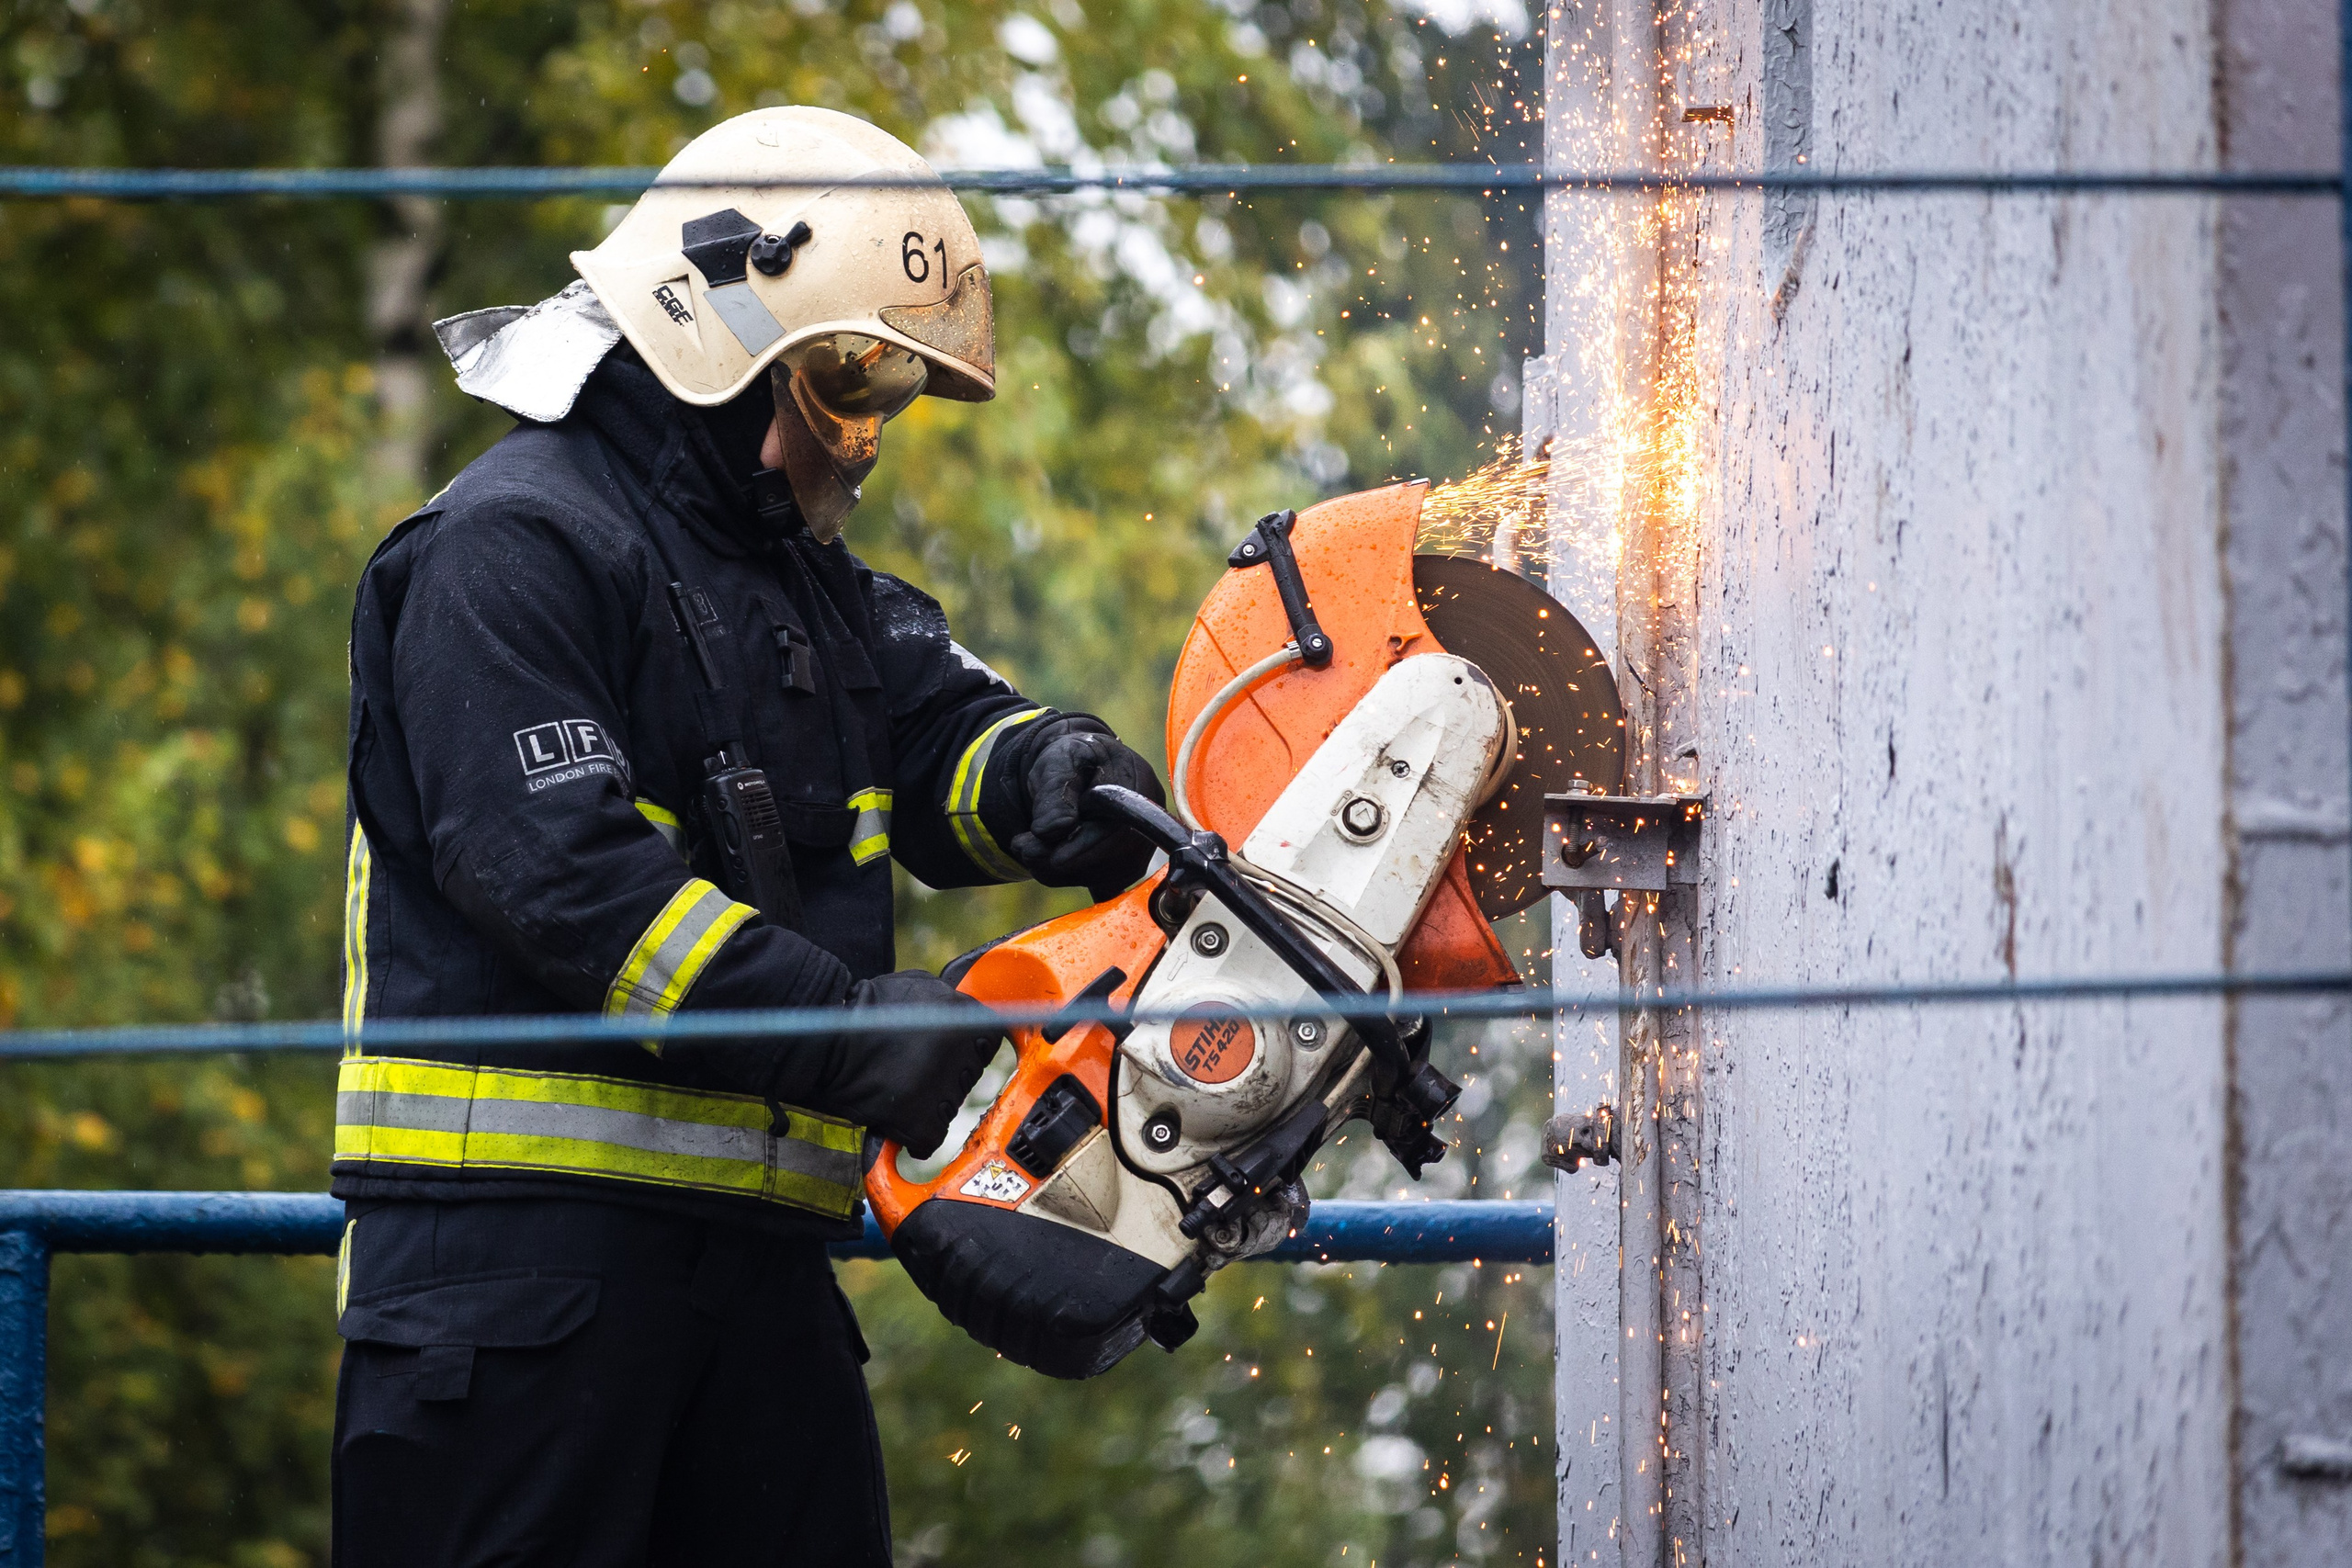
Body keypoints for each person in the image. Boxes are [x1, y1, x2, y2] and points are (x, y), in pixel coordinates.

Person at [328, 107, 1164, 1567]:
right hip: (515, 1291)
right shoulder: (509, 550)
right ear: (708, 325)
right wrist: (852, 1038)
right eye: (847, 380)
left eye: (889, 391)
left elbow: (931, 739)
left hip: (762, 1291)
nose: (868, 438)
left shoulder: (809, 587)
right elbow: (564, 881)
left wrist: (1048, 775)